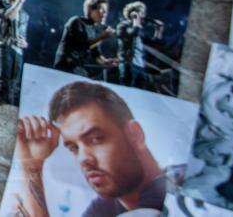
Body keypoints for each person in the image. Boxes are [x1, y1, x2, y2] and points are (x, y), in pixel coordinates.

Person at [14, 81, 171, 216]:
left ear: (135, 134)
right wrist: (32, 164)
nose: (83, 159)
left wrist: (31, 167)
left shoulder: (181, 194)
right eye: (74, 148)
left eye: (96, 139)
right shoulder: (104, 207)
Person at [54, 0, 119, 78]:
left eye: (106, 11)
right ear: (91, 9)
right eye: (102, 9)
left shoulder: (93, 30)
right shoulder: (76, 21)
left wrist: (106, 62)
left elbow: (96, 54)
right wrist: (102, 37)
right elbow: (82, 46)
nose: (104, 13)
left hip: (77, 67)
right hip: (65, 66)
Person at [0, 0, 31, 106]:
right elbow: (8, 17)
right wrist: (19, 1)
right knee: (4, 83)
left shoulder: (24, 14)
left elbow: (23, 34)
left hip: (18, 50)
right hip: (4, 45)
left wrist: (25, 44)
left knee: (14, 86)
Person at [116, 1, 162, 89]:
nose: (144, 16)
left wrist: (158, 30)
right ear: (134, 13)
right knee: (127, 91)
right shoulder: (122, 25)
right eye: (142, 13)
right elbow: (132, 34)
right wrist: (135, 21)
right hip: (128, 65)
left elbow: (153, 44)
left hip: (141, 66)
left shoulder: (139, 29)